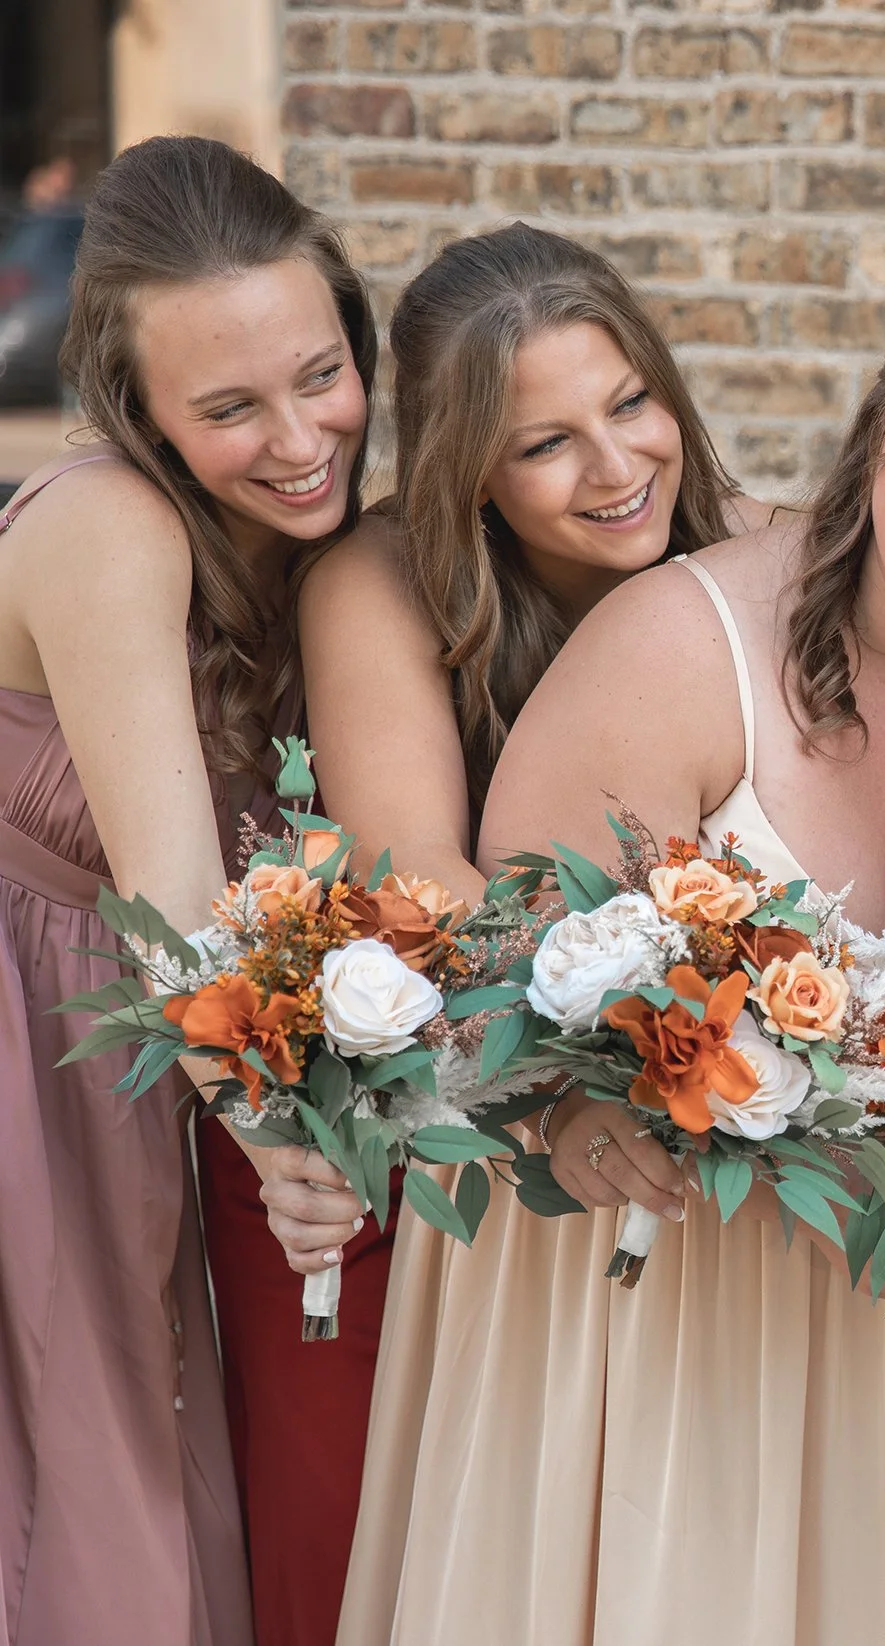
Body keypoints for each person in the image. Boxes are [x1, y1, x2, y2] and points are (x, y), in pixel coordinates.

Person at [382, 246, 885, 1646]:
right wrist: (560, 1107)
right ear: (881, 430)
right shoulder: (682, 641)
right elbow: (491, 966)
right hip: (648, 1335)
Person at [275, 223, 751, 1646]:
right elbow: (424, 879)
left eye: (630, 405)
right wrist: (584, 1086)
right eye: (545, 444)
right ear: (464, 473)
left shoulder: (754, 557)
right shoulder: (383, 584)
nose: (615, 468)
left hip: (748, 1173)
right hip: (530, 1140)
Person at [0, 133, 374, 1646]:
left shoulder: (317, 559)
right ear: (137, 411)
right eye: (228, 408)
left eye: (321, 371)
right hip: (40, 1057)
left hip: (158, 1069)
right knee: (77, 1514)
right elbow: (164, 901)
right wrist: (288, 1146)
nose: (299, 435)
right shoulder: (106, 521)